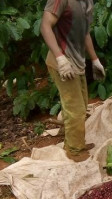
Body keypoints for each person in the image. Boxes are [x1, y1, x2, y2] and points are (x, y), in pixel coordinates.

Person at [40, 0, 105, 162]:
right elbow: (45, 26)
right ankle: (75, 152)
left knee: (81, 106)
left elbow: (85, 33)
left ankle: (73, 144)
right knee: (74, 108)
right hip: (62, 63)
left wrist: (95, 60)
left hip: (77, 63)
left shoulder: (86, 2)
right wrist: (60, 58)